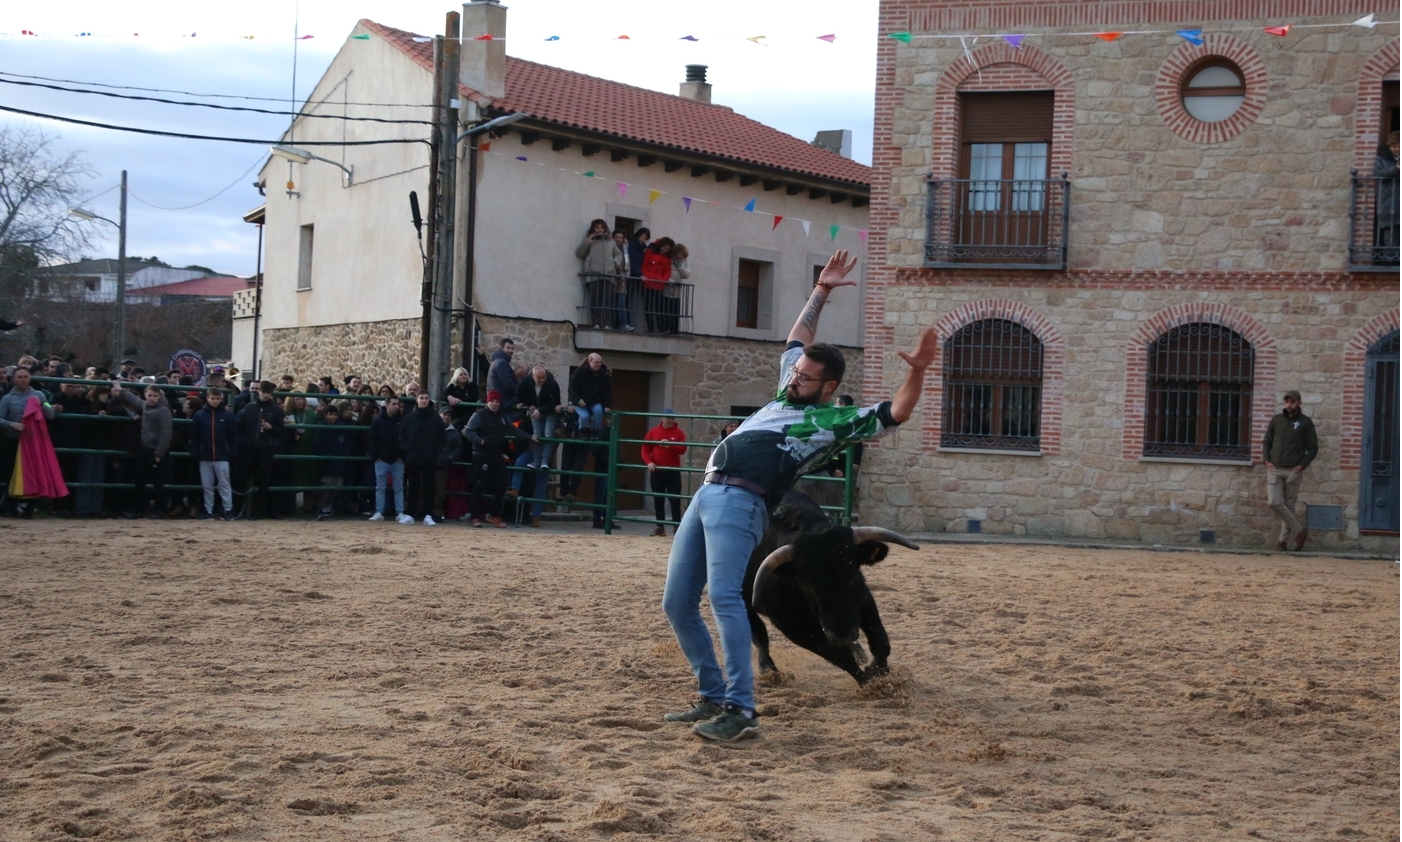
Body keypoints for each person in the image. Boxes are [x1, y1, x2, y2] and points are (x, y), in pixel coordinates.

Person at [661, 249, 939, 743]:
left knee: (724, 597)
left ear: (829, 387)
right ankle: (711, 695)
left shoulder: (832, 421)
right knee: (677, 603)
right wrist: (822, 289)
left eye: (805, 377)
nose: (794, 378)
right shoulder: (786, 390)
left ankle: (741, 710)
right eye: (795, 372)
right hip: (706, 495)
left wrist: (916, 371)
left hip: (741, 501)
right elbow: (798, 338)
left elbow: (896, 412)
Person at [464, 390, 535, 528]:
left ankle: (494, 514)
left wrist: (530, 437)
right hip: (481, 455)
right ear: (488, 402)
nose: (495, 404)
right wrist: (481, 441)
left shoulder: (502, 416)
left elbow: (513, 430)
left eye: (497, 401)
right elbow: (468, 431)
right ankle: (474, 516)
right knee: (479, 486)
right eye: (493, 401)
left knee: (501, 485)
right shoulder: (479, 415)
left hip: (496, 454)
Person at [1263, 389, 1318, 552]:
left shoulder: (1305, 422)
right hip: (1274, 469)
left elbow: (1313, 448)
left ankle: (1282, 541)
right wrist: (1266, 460)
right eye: (1287, 401)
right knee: (1274, 502)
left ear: (1299, 403)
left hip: (1293, 470)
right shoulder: (1276, 420)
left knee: (1289, 505)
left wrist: (1301, 466)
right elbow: (1267, 441)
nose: (1289, 405)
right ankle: (1299, 530)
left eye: (1292, 402)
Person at [0, 366, 60, 517]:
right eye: (20, 377)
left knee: (33, 472)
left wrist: (43, 405)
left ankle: (30, 506)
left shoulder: (40, 394)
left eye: (26, 377)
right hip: (14, 440)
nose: (23, 380)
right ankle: (12, 505)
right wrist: (11, 424)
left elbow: (50, 414)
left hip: (34, 442)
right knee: (10, 473)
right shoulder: (7, 399)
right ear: (13, 379)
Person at [114, 382, 173, 518]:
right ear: (145, 395)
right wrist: (121, 390)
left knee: (158, 481)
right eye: (150, 395)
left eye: (155, 396)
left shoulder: (163, 410)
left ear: (159, 396)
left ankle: (160, 509)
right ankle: (142, 508)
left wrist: (159, 453)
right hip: (146, 449)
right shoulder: (146, 406)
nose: (152, 398)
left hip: (157, 450)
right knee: (140, 480)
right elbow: (135, 399)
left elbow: (166, 433)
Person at [235, 380, 285, 519]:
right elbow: (239, 426)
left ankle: (258, 511)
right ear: (259, 391)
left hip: (265, 450)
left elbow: (281, 430)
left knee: (262, 483)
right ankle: (238, 509)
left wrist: (271, 427)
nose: (266, 395)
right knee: (240, 480)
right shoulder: (249, 407)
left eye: (269, 393)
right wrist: (243, 442)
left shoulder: (276, 410)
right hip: (248, 449)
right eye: (264, 392)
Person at [190, 386, 240, 520]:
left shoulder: (227, 416)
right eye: (213, 398)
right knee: (207, 485)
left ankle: (228, 509)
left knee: (224, 484)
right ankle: (209, 510)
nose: (215, 401)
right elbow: (195, 435)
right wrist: (195, 451)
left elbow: (233, 436)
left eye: (218, 399)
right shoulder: (199, 415)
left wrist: (232, 452)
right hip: (205, 455)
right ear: (208, 398)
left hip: (222, 455)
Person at [400, 390, 445, 525]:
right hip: (413, 457)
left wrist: (434, 451)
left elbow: (442, 438)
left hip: (429, 458)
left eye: (426, 398)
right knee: (413, 486)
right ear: (417, 399)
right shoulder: (409, 418)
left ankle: (428, 514)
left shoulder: (436, 419)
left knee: (429, 486)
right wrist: (408, 450)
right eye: (421, 398)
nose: (424, 400)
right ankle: (410, 513)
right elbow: (402, 436)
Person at [367, 394, 412, 524]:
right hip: (382, 459)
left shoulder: (402, 421)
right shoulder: (377, 421)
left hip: (397, 460)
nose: (397, 406)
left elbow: (406, 439)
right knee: (380, 487)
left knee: (398, 488)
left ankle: (399, 512)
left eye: (398, 404)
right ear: (387, 405)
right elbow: (371, 440)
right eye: (394, 404)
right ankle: (379, 511)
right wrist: (375, 457)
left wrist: (402, 456)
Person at [642, 409, 688, 536]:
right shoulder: (654, 432)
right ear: (662, 418)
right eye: (668, 418)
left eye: (672, 418)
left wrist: (670, 445)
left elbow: (683, 449)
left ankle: (676, 527)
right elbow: (645, 448)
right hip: (657, 471)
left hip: (673, 472)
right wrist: (649, 462)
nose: (670, 420)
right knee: (658, 499)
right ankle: (660, 527)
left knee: (675, 499)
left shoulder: (679, 433)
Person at [577, 219, 616, 328]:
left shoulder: (611, 241)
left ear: (605, 229)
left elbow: (619, 254)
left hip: (608, 275)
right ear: (593, 228)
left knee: (607, 301)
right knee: (595, 300)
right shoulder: (589, 239)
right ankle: (597, 323)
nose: (599, 229)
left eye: (602, 227)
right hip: (593, 275)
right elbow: (579, 253)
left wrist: (614, 263)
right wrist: (587, 243)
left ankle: (607, 324)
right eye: (597, 227)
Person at [568, 353, 612, 437]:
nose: (598, 364)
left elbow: (607, 391)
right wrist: (577, 400)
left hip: (594, 402)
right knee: (584, 416)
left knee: (598, 411)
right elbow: (572, 389)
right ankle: (583, 431)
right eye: (596, 362)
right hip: (580, 402)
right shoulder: (579, 373)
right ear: (589, 361)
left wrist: (606, 405)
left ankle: (596, 430)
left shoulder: (603, 375)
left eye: (600, 362)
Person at [1375, 130, 1400, 264]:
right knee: (1391, 240)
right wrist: (1396, 169)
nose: (1397, 149)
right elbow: (1378, 173)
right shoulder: (1381, 159)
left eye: (1399, 146)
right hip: (1390, 205)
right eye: (1394, 146)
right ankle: (1390, 266)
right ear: (1389, 147)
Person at [640, 236, 675, 333]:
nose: (665, 250)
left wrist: (663, 280)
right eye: (664, 247)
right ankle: (651, 328)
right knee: (648, 307)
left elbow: (667, 271)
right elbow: (644, 264)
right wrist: (647, 278)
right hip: (647, 284)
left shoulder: (667, 258)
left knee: (659, 308)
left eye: (667, 249)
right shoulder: (651, 251)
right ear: (661, 245)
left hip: (659, 286)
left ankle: (661, 328)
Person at [665, 243, 690, 335]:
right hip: (667, 288)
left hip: (677, 290)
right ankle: (667, 329)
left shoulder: (685, 262)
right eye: (677, 253)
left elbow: (686, 275)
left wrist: (680, 266)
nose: (679, 256)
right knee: (666, 309)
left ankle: (674, 330)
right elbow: (665, 272)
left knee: (675, 311)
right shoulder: (670, 260)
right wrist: (670, 280)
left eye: (681, 254)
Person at [487, 339, 518, 405]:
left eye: (512, 348)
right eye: (508, 348)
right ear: (502, 348)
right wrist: (518, 394)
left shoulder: (496, 361)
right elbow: (507, 383)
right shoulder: (502, 363)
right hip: (503, 400)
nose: (511, 350)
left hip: (497, 399)